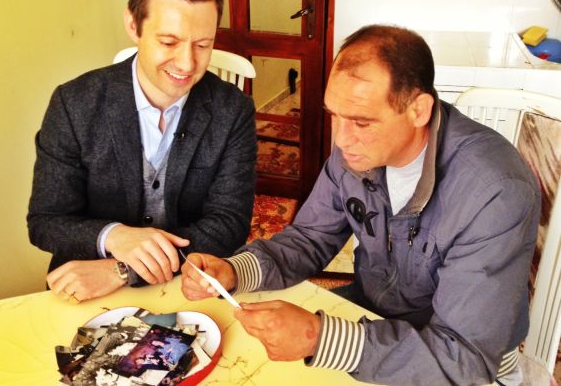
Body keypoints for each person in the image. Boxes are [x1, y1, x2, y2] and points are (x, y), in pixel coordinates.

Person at [180, 25, 541, 385]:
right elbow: (309, 238)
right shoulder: (357, 154)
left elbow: (464, 358)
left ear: (419, 110)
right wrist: (235, 271)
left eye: (362, 122)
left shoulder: (495, 191)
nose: (341, 138)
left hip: (464, 361)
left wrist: (319, 338)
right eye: (334, 115)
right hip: (374, 315)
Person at [28, 0, 257, 303]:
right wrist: (114, 236)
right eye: (169, 42)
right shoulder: (73, 103)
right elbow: (45, 221)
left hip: (186, 286)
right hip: (88, 288)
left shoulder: (233, 109)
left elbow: (228, 224)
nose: (187, 64)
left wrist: (124, 269)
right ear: (133, 26)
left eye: (203, 45)